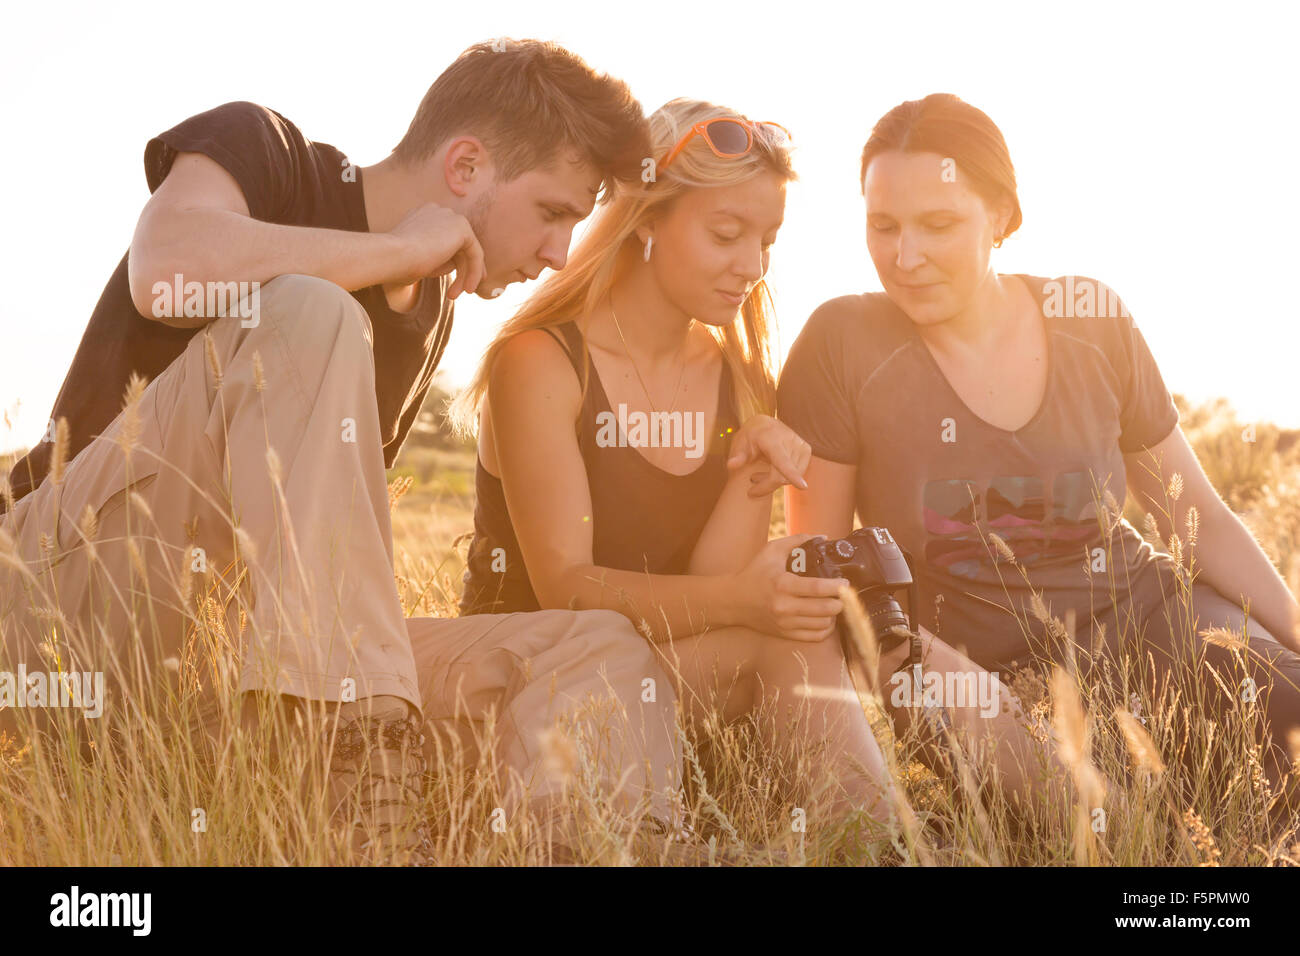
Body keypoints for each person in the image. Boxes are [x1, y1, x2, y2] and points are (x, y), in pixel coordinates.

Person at [0, 39, 685, 864]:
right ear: (465, 165)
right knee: (312, 314)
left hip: (229, 672)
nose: (558, 254)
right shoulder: (268, 152)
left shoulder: (430, 311)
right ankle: (361, 812)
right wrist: (397, 253)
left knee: (600, 644)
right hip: (51, 607)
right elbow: (168, 271)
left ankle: (585, 845)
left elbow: (321, 553)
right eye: (551, 212)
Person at [778, 92, 1300, 823]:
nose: (906, 255)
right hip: (982, 680)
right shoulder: (842, 342)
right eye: (883, 225)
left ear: (1002, 217)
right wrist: (946, 695)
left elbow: (1199, 522)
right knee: (1130, 834)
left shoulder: (1091, 317)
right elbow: (832, 575)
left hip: (1155, 624)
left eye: (939, 225)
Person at [452, 98, 905, 842]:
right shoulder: (539, 361)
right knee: (777, 631)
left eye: (767, 240)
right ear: (647, 219)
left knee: (795, 629)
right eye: (727, 235)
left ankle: (871, 847)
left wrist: (746, 483)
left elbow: (709, 587)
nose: (752, 267)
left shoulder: (742, 381)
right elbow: (567, 590)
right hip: (529, 684)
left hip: (657, 682)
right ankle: (877, 846)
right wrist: (744, 600)